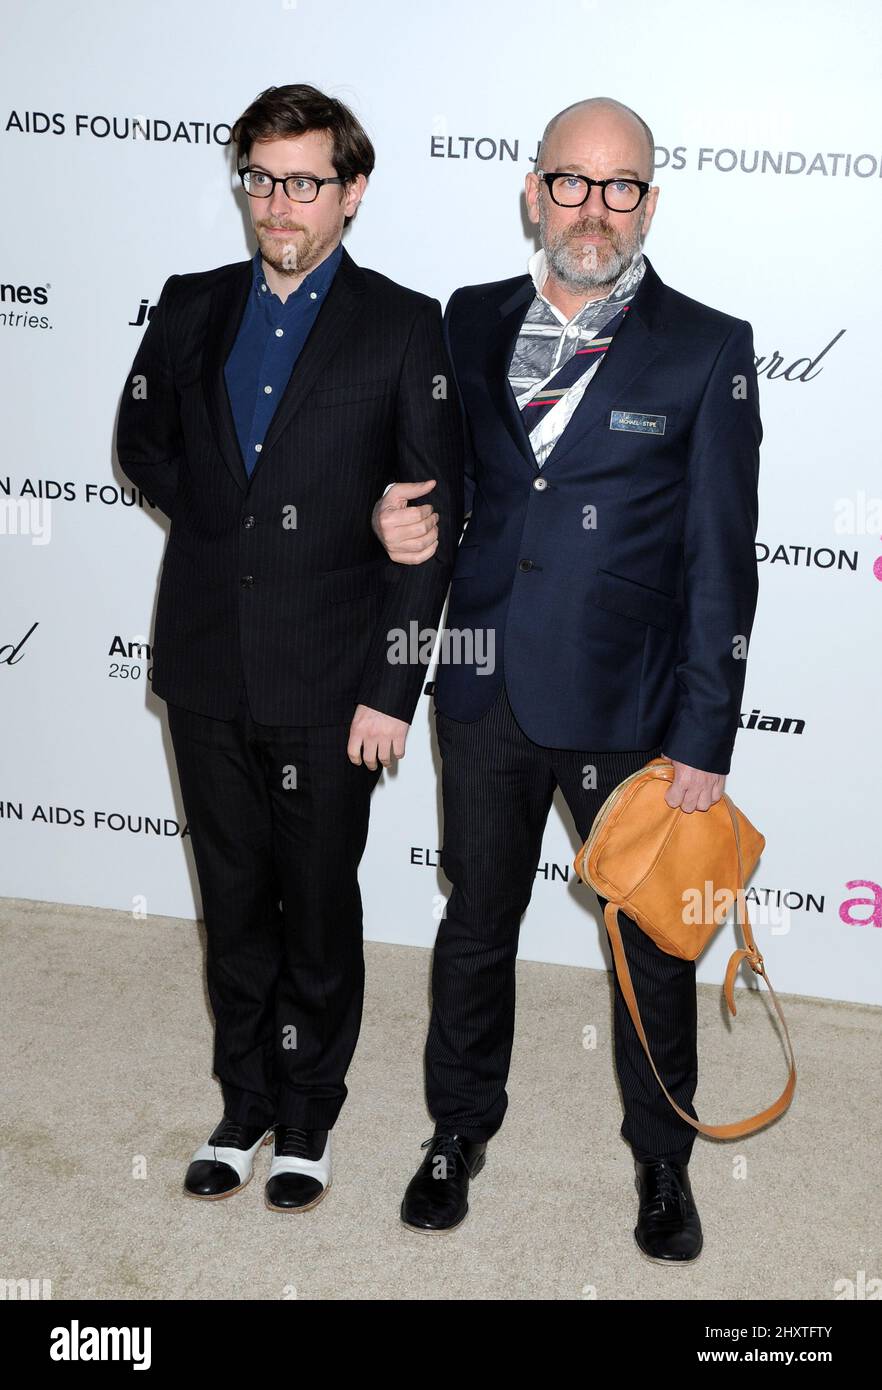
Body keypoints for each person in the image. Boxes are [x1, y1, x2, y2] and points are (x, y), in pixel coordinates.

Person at [373, 96, 762, 1261]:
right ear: (535, 191)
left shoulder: (706, 347)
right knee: (476, 924)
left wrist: (704, 737)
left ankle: (662, 1158)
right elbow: (437, 501)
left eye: (622, 184)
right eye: (573, 182)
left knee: (649, 944)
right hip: (484, 687)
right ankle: (457, 1131)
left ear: (651, 198)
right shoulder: (468, 318)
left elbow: (720, 564)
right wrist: (387, 536)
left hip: (631, 708)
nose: (595, 208)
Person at [115, 83, 463, 1213]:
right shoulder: (193, 302)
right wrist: (231, 518)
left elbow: (431, 528)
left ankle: (310, 1108)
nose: (279, 204)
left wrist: (391, 693)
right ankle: (246, 1097)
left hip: (332, 683)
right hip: (208, 663)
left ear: (351, 193)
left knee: (315, 905)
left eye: (304, 182)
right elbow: (144, 442)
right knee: (233, 896)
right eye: (261, 178)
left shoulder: (405, 325)